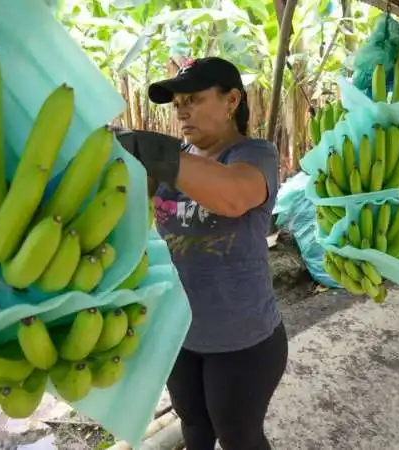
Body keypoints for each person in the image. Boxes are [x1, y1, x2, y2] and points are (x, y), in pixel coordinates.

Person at [114, 57, 287, 450]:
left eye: (193, 99)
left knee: (238, 437)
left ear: (231, 101)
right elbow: (122, 205)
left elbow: (233, 196)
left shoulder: (254, 156)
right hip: (181, 332)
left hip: (243, 341)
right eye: (177, 105)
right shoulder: (177, 160)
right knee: (194, 428)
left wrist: (157, 153)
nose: (182, 111)